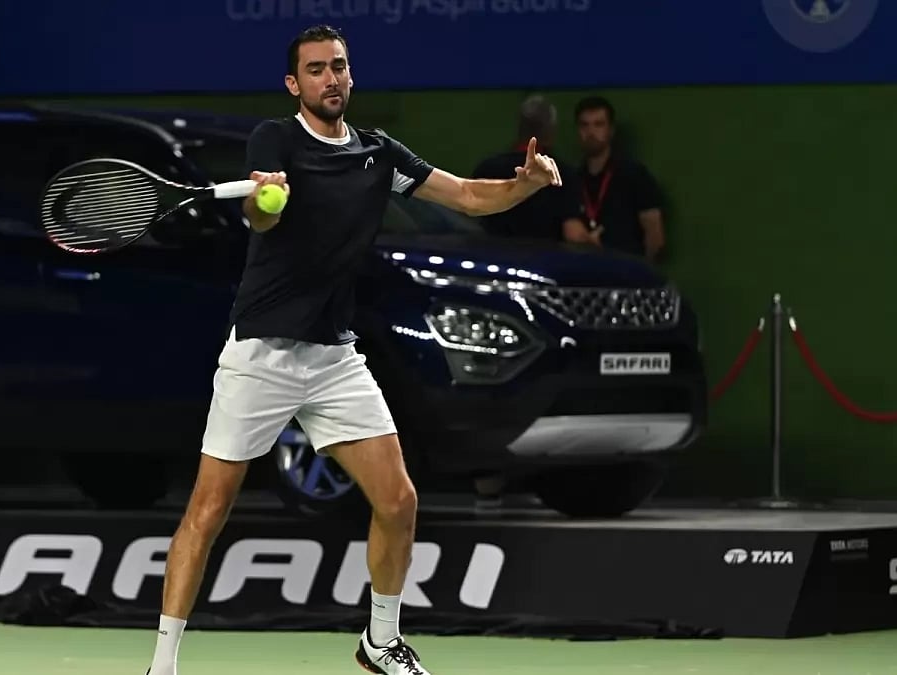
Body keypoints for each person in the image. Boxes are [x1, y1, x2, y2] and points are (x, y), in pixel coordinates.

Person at [144, 24, 561, 675]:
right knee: (208, 506)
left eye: (338, 66)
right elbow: (262, 220)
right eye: (316, 69)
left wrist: (526, 184)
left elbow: (469, 197)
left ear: (350, 75)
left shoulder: (378, 157)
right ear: (295, 83)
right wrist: (264, 202)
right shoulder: (275, 140)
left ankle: (380, 642)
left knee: (398, 500)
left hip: (334, 358)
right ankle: (163, 662)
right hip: (261, 353)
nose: (330, 78)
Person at [471, 94, 594, 247]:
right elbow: (573, 233)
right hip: (545, 264)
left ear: (519, 128)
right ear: (551, 131)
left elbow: (470, 223)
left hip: (495, 261)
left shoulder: (487, 168)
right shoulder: (560, 174)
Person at [573, 96, 666, 261]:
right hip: (585, 277)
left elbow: (655, 236)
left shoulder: (635, 175)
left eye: (598, 124)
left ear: (611, 130)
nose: (591, 132)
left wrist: (639, 273)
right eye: (584, 125)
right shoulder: (572, 180)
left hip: (626, 277)